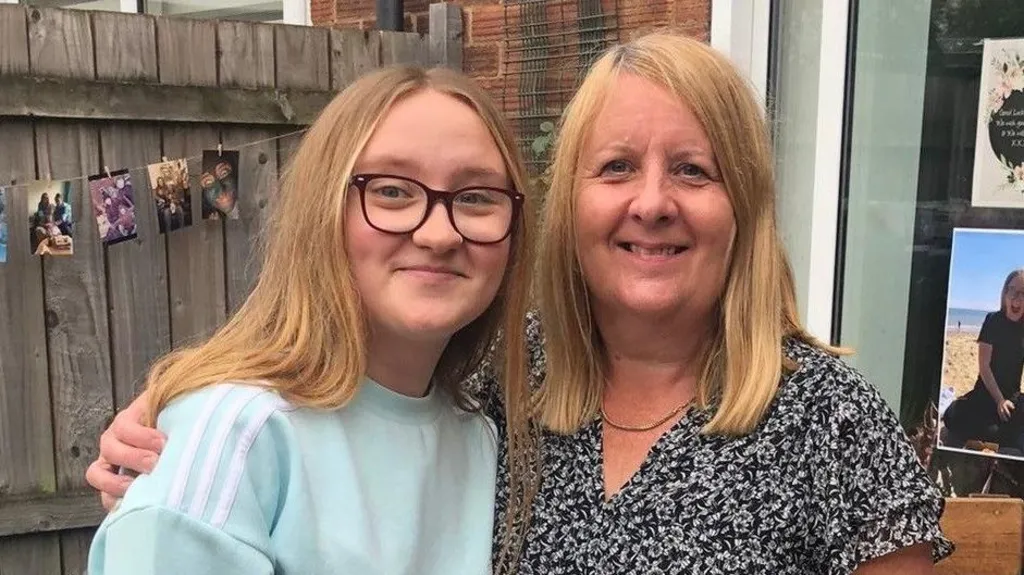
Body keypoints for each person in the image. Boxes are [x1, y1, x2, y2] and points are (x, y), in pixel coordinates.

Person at [89, 34, 952, 574]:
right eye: (616, 168)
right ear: (568, 204)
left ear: (746, 207)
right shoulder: (504, 387)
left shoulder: (826, 417)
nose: (651, 202)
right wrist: (186, 420)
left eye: (694, 169)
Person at [85, 65, 538, 575]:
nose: (439, 234)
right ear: (322, 208)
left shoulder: (479, 431)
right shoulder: (239, 434)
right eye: (391, 191)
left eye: (476, 197)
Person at [942, 269, 1024, 453]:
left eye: (1023, 292)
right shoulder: (992, 320)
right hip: (986, 394)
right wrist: (999, 400)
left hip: (1012, 398)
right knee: (954, 416)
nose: (1016, 297)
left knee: (1011, 425)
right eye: (1012, 290)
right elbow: (984, 367)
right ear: (1005, 293)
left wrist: (1007, 401)